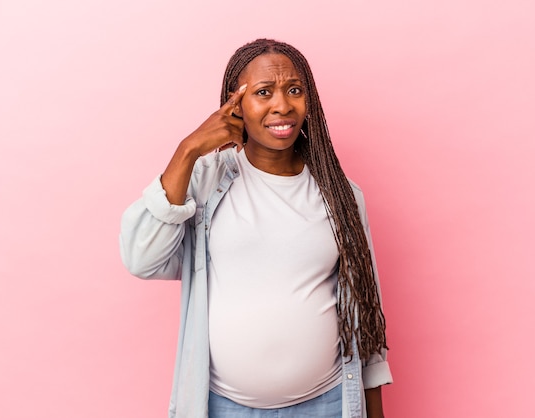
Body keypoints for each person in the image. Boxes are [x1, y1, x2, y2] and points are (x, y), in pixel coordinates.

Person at [120, 38, 392, 418]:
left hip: (329, 403)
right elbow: (141, 259)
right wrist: (187, 151)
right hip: (223, 407)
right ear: (235, 105)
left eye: (294, 90)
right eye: (263, 92)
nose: (282, 105)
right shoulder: (204, 181)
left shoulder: (342, 195)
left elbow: (366, 318)